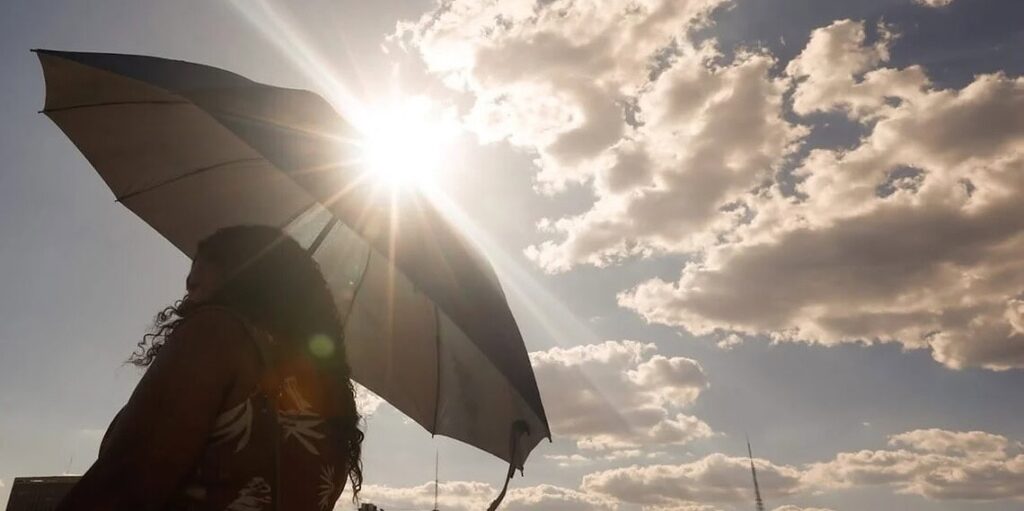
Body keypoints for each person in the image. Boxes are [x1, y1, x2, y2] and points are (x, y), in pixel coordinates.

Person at [56, 225, 364, 511]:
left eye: (205, 262)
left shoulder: (218, 333)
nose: (189, 281)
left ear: (247, 269)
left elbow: (121, 485)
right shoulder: (333, 400)